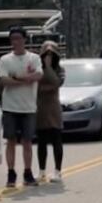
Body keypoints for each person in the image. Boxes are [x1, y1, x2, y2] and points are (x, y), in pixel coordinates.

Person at [0, 26, 43, 188]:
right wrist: (23, 80)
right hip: (10, 106)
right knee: (10, 141)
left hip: (28, 106)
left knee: (27, 141)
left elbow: (38, 75)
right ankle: (11, 173)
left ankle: (28, 172)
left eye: (18, 38)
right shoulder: (5, 60)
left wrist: (15, 77)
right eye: (13, 39)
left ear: (24, 39)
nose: (15, 41)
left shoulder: (34, 58)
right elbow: (3, 80)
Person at [36, 41, 65, 183]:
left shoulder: (60, 70)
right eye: (46, 54)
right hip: (40, 108)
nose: (48, 56)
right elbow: (36, 87)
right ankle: (41, 171)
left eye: (51, 54)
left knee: (56, 140)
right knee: (41, 141)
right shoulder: (37, 69)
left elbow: (55, 83)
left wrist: (48, 67)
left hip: (54, 108)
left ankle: (58, 171)